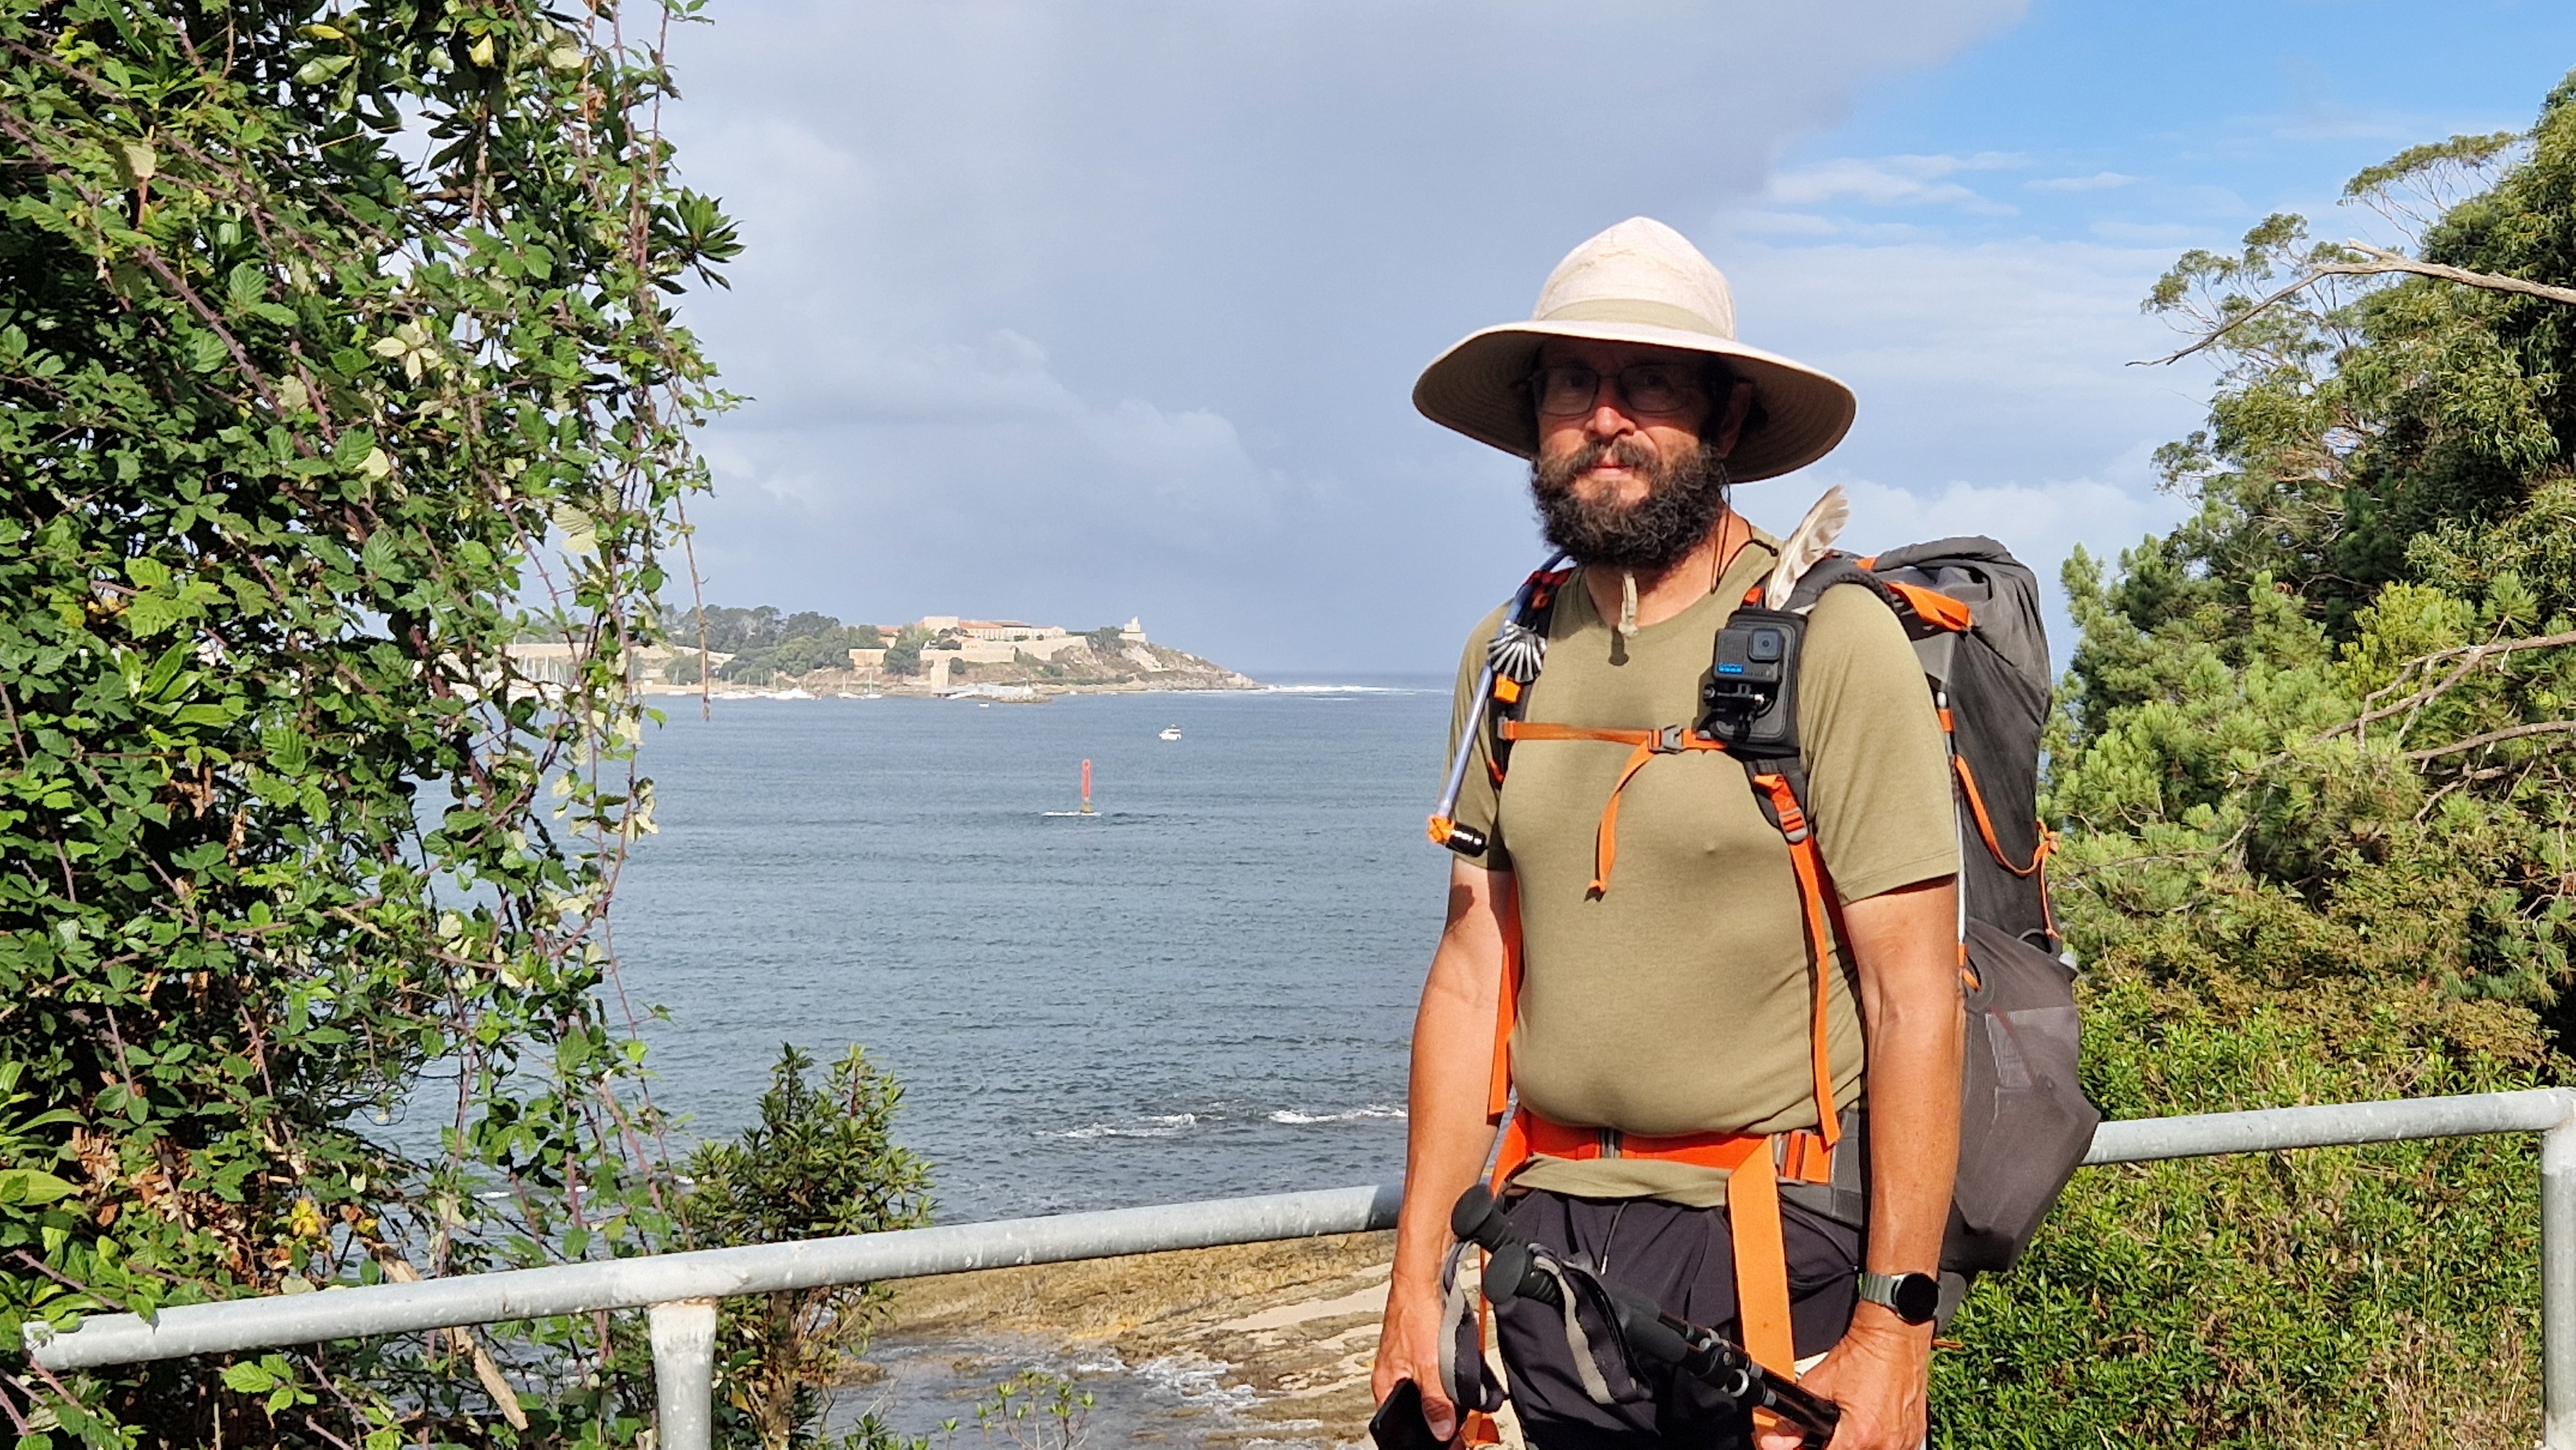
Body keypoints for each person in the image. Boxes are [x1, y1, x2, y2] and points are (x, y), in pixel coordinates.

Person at [1369, 217, 1965, 1450]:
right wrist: (1415, 1284)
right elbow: (1472, 970)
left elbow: (1915, 996)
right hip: (1545, 1244)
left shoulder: (1834, 641)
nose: (1606, 418)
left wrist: (1895, 1328)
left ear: (1727, 417)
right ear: (1534, 420)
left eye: (1649, 382)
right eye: (1572, 385)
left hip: (1772, 1241)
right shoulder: (1511, 653)